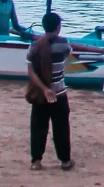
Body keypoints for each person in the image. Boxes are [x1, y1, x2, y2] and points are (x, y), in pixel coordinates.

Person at [27, 11, 73, 170]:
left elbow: (31, 70)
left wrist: (44, 89)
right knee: (61, 128)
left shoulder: (34, 46)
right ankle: (65, 161)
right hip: (59, 93)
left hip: (41, 94)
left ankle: (36, 161)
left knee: (38, 127)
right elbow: (68, 52)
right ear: (58, 27)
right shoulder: (64, 45)